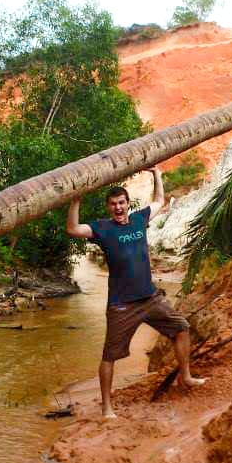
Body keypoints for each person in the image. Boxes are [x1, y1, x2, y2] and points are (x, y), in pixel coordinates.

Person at [66, 166, 205, 419]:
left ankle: (185, 376)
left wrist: (157, 175)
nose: (118, 207)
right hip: (122, 305)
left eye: (121, 202)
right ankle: (107, 408)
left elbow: (159, 201)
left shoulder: (140, 219)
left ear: (128, 203)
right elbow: (73, 229)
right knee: (110, 356)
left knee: (181, 327)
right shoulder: (102, 229)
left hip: (150, 298)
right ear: (109, 207)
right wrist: (76, 200)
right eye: (113, 204)